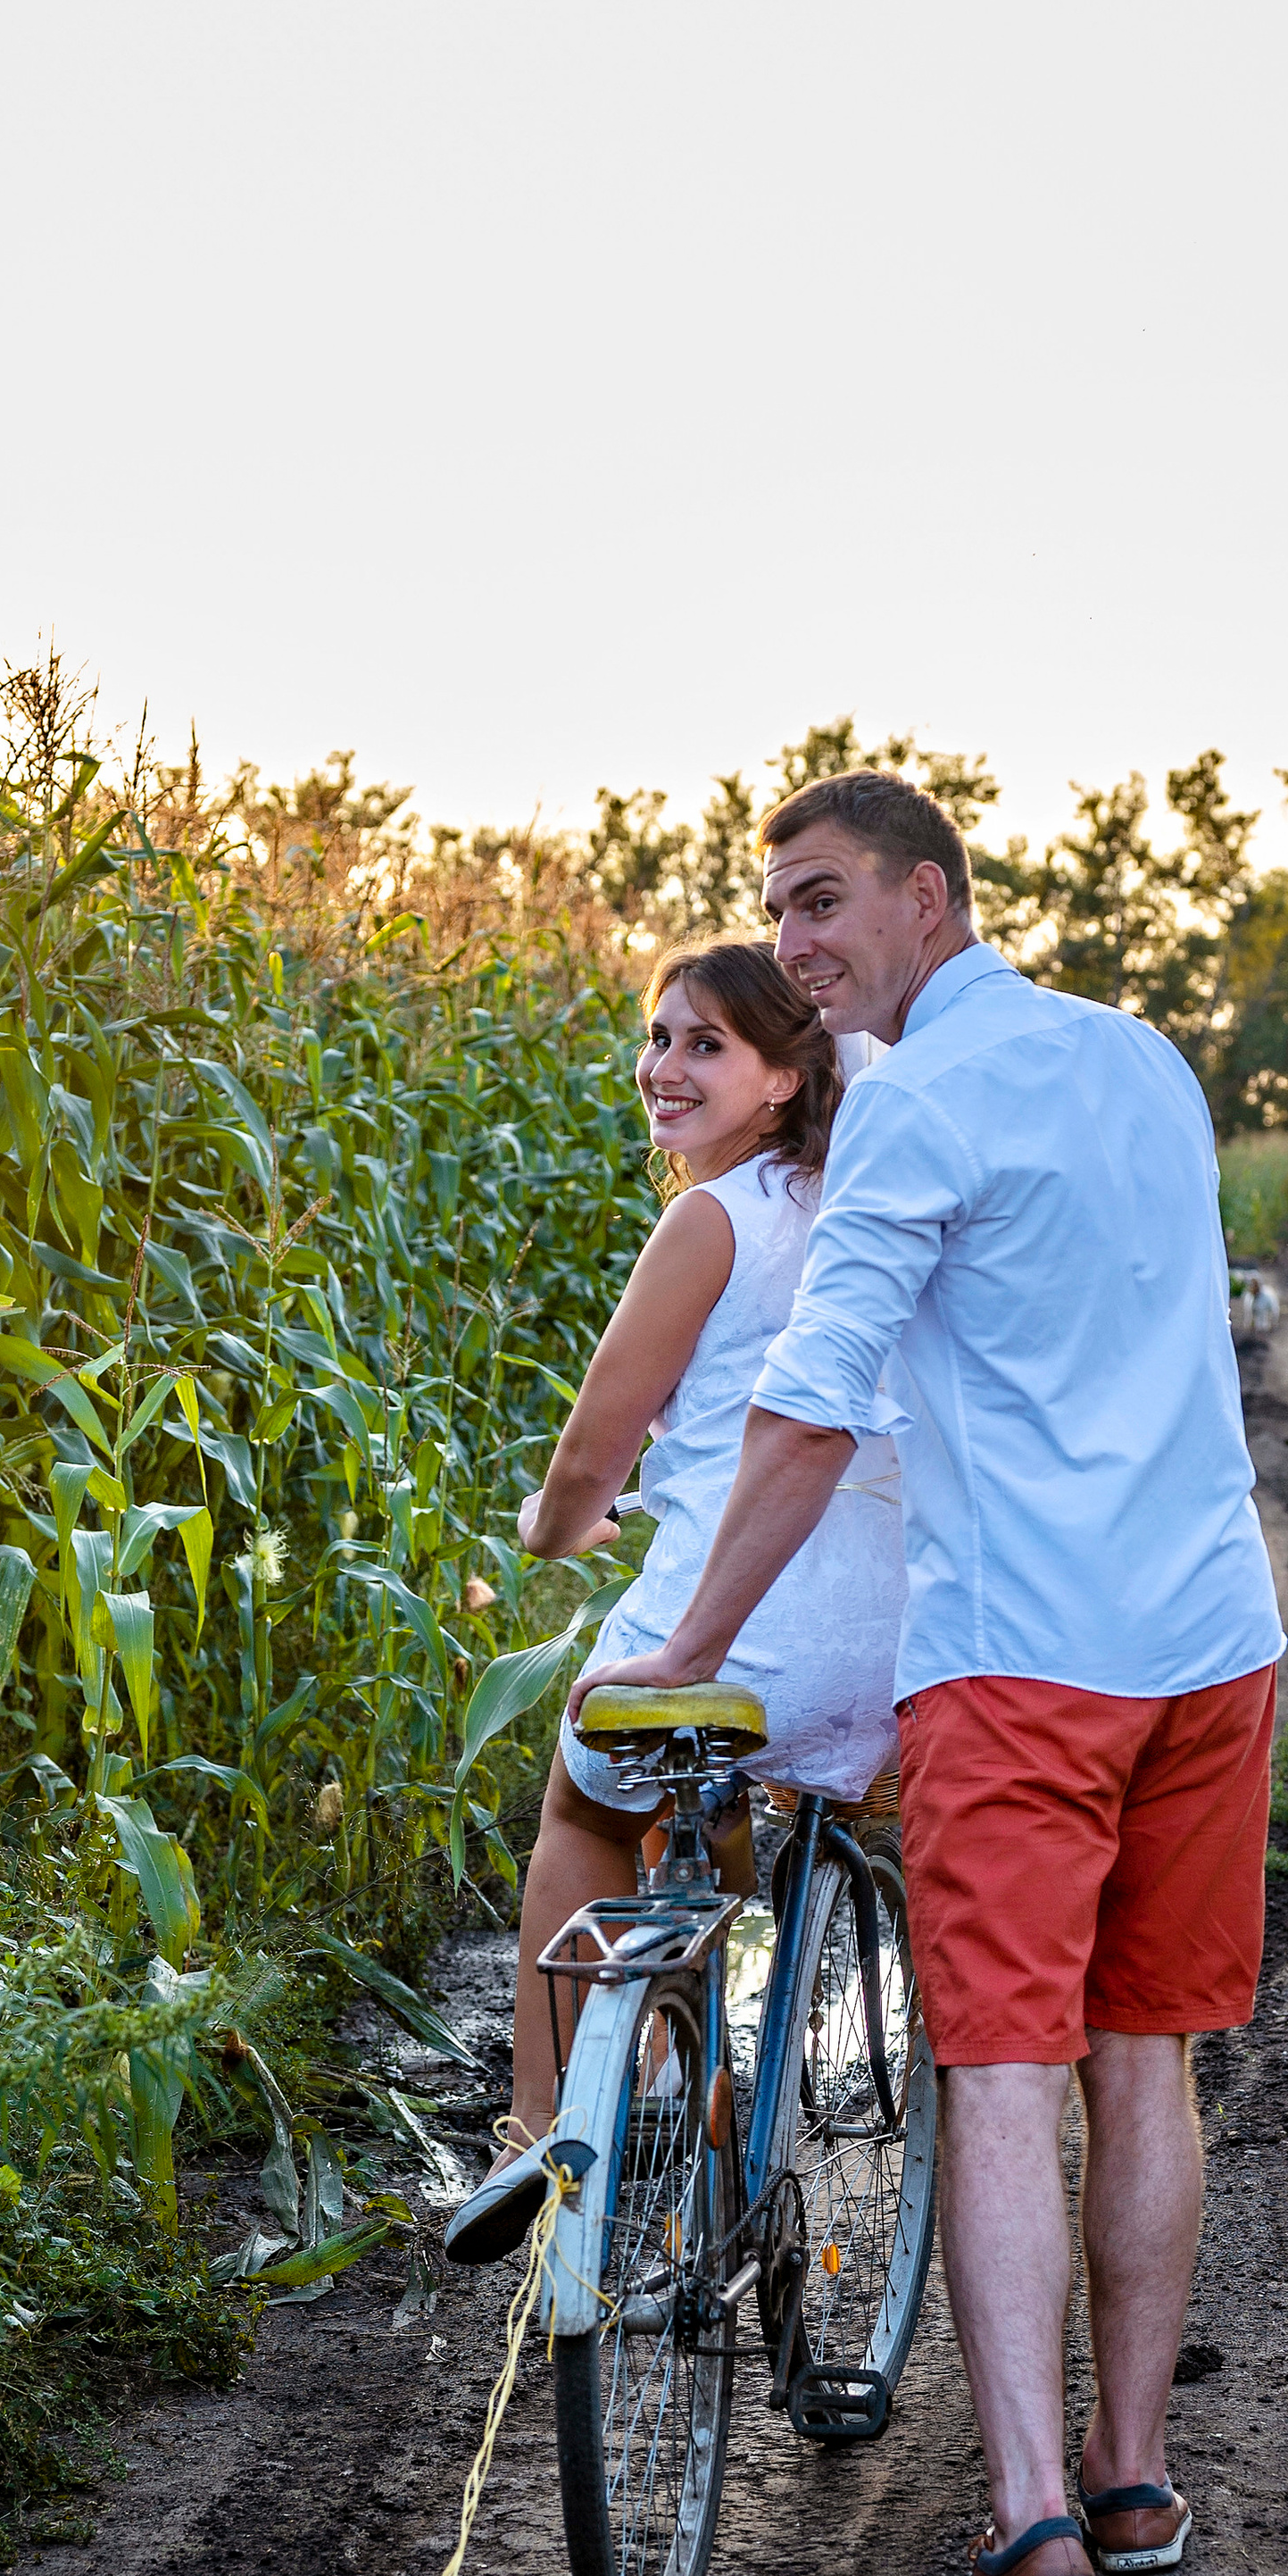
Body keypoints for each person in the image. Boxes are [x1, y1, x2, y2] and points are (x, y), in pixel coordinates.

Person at [576, 771, 1284, 2576]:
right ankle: (1128, 2479)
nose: (797, 947)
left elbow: (810, 1408)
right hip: (1209, 1633)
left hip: (1024, 1658)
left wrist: (689, 1639)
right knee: (1145, 2055)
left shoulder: (912, 1105)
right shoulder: (1139, 1061)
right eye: (776, 915)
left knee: (999, 2069)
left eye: (820, 905)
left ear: (926, 897)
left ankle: (1029, 2520)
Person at [443, 938, 907, 2269]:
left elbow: (596, 1451)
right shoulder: (873, 1204)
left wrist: (552, 1529)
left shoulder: (715, 1218)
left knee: (590, 1797)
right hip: (881, 1629)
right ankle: (712, 2126)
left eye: (705, 1045)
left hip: (747, 1610)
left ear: (784, 1078)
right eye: (658, 1039)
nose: (663, 1068)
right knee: (709, 1809)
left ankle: (535, 2125)